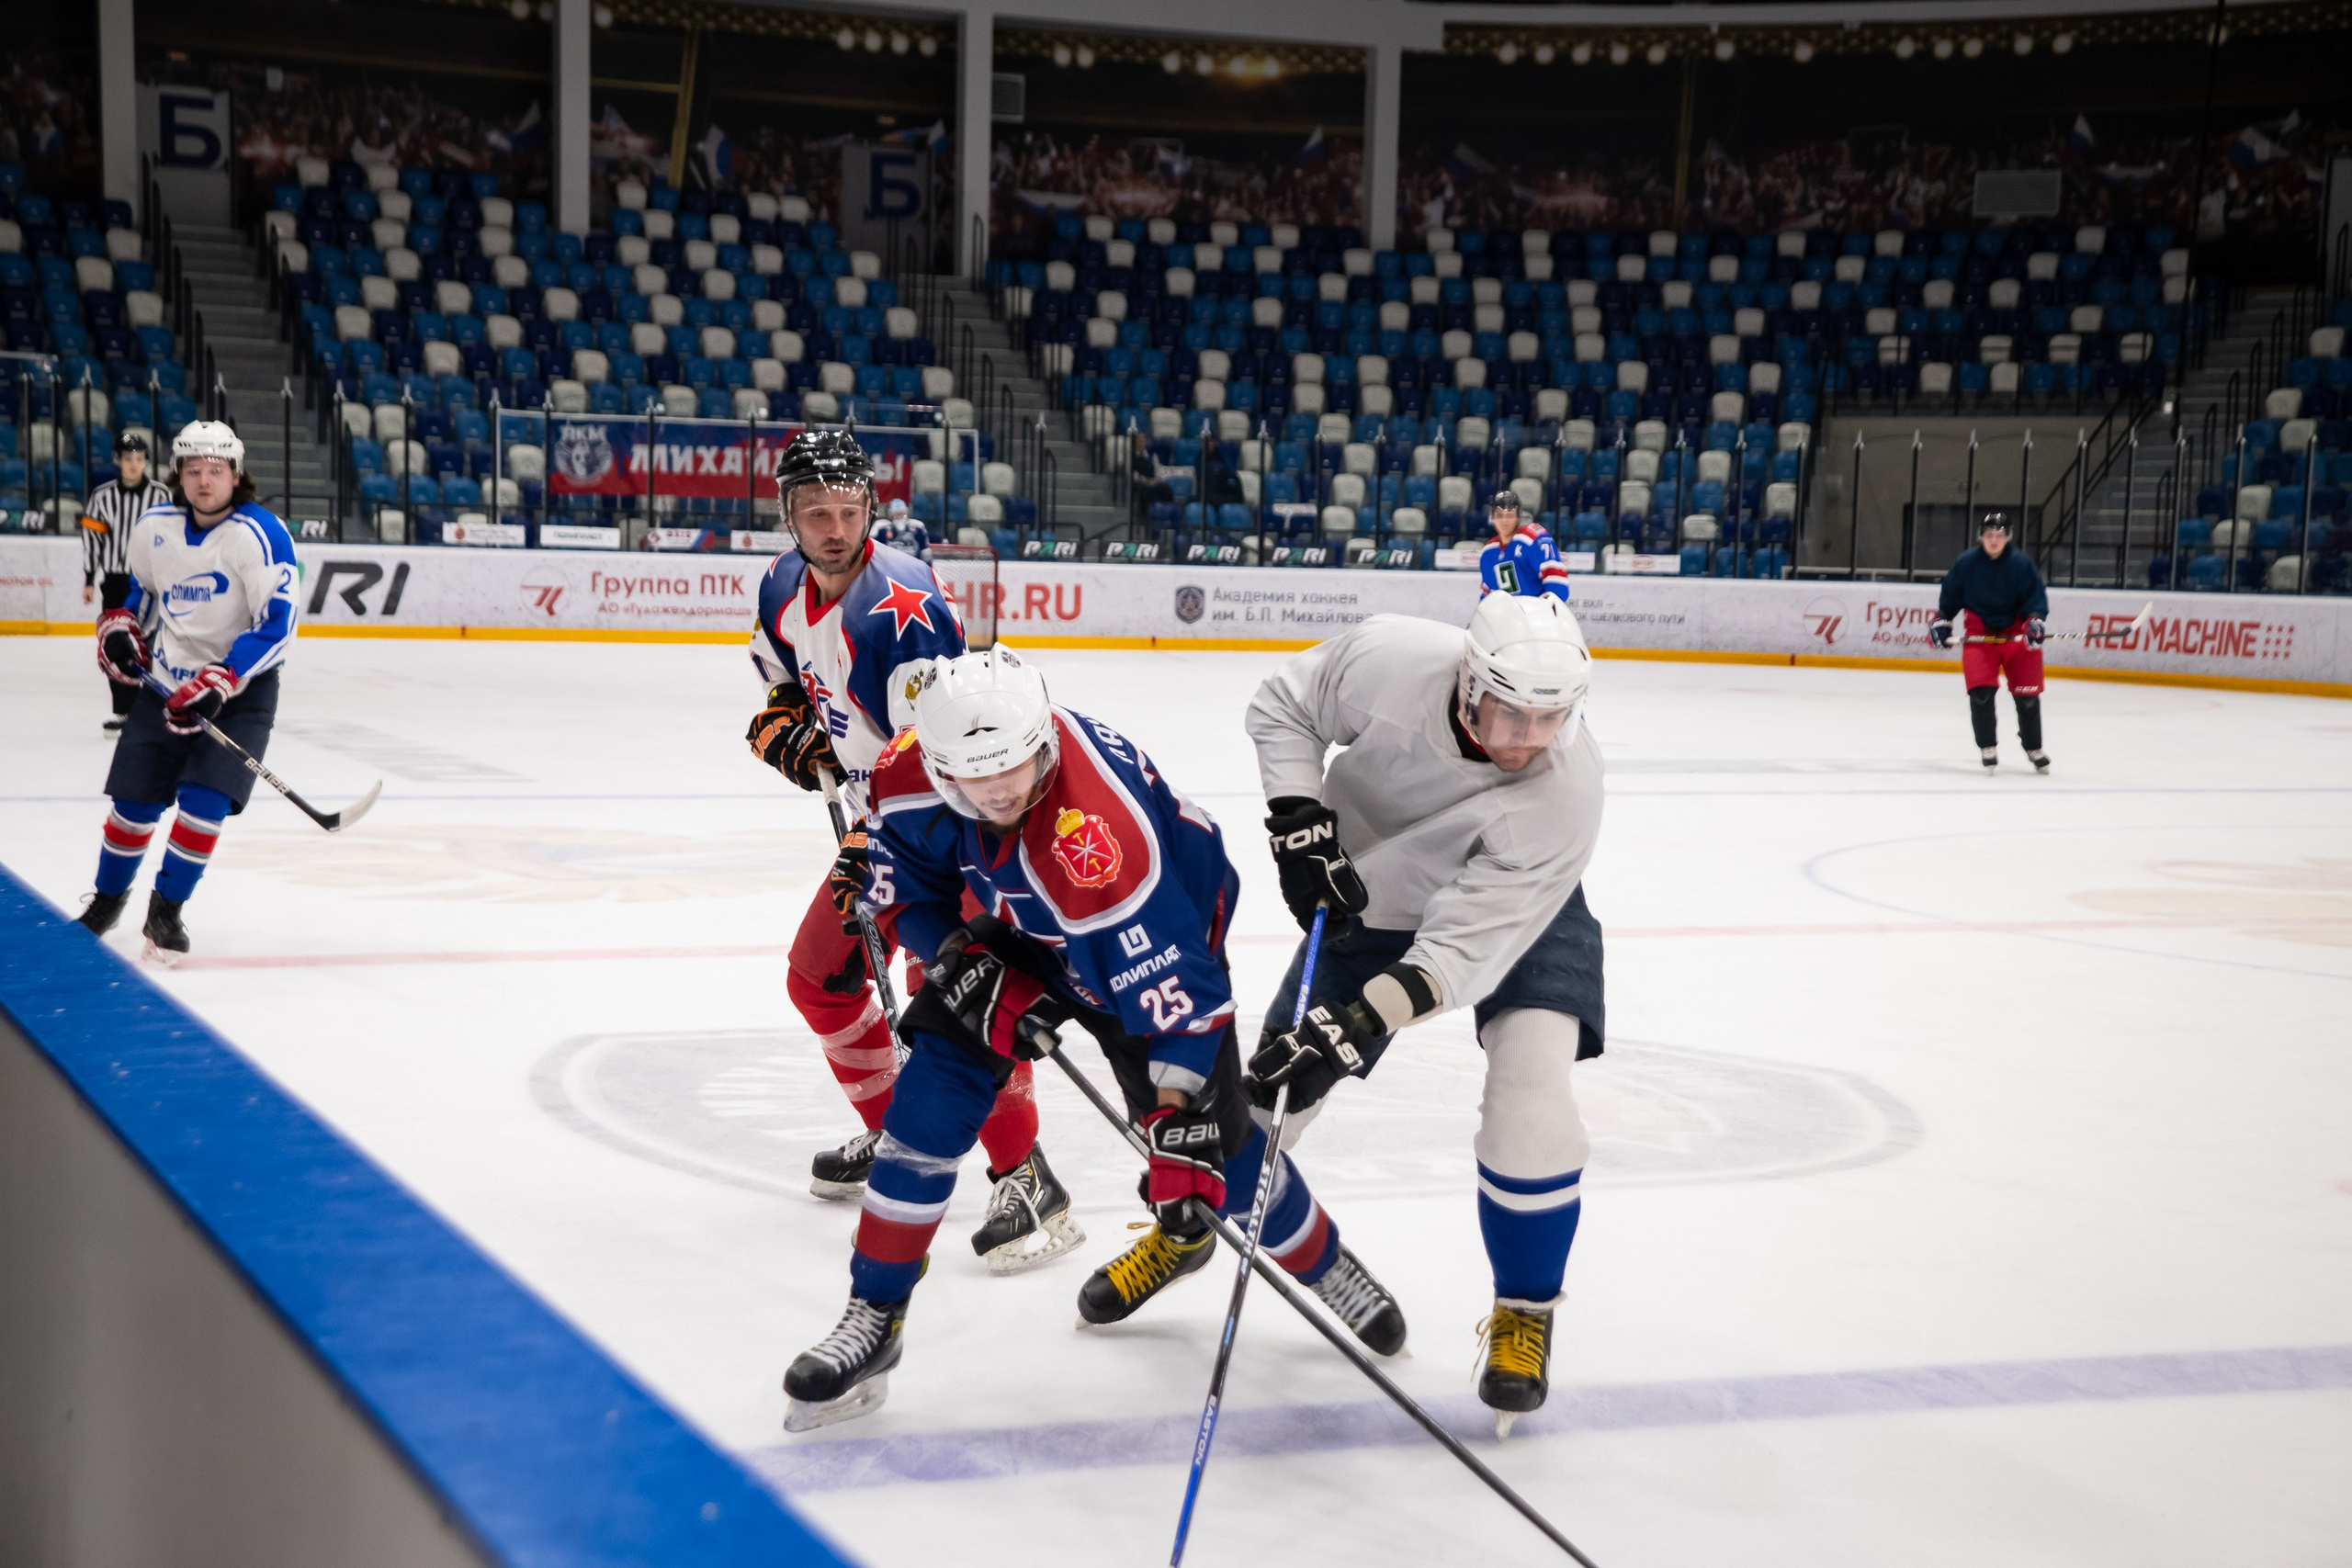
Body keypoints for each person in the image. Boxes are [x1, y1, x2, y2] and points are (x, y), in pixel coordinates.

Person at [781, 647, 1405, 1430]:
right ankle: (875, 1313)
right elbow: (905, 878)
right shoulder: (906, 772)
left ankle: (1325, 1262)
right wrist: (952, 952)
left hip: (1142, 935)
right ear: (939, 769)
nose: (1006, 786)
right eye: (980, 776)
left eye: (1019, 762)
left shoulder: (1098, 838)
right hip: (1015, 923)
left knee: (1223, 1154)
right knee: (927, 1106)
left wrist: (1179, 1117)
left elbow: (1177, 990)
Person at [1240, 594, 1607, 1437]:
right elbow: (1283, 703)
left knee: (1531, 1102)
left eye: (1551, 717)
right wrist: (1297, 818)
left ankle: (1525, 1309)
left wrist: (1358, 1024)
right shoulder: (1391, 658)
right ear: (1469, 679)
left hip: (1522, 912)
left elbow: (1456, 953)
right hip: (1369, 896)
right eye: (1512, 710)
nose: (1528, 738)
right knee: (1248, 1119)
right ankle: (1240, 1243)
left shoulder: (1566, 792)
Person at [742, 429, 1071, 1271]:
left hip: (950, 827)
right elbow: (787, 677)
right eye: (814, 511)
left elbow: (940, 757)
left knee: (959, 992)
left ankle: (1027, 1176)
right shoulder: (783, 583)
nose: (833, 527)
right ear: (787, 515)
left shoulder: (906, 607)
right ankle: (902, 1141)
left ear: (870, 511)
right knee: (822, 979)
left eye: (848, 510)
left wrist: (875, 841)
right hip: (877, 818)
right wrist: (787, 723)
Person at [74, 423, 299, 961]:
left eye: (215, 470)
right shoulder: (155, 527)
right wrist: (126, 628)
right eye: (192, 470)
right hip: (169, 683)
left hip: (240, 691)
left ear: (236, 474)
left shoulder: (261, 534)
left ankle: (166, 911)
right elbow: (145, 594)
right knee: (133, 804)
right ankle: (106, 902)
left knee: (204, 804)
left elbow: (278, 623)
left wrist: (223, 677)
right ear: (177, 474)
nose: (204, 480)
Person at [1929, 513, 2052, 773]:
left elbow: (2035, 599)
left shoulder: (2021, 563)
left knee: (2028, 697)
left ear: (2007, 537)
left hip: (2016, 633)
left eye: (1998, 536)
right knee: (1980, 694)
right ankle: (1988, 746)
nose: (1993, 541)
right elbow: (1950, 597)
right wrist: (1942, 620)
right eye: (1989, 535)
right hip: (1980, 633)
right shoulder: (1967, 563)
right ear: (1981, 537)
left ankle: (2033, 747)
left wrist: (2035, 621)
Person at [80, 432, 174, 732]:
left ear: (146, 461)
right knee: (116, 644)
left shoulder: (162, 495)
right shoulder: (101, 497)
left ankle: (146, 710)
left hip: (151, 580)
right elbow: (92, 541)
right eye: (128, 459)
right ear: (117, 461)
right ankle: (122, 711)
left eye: (139, 459)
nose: (134, 465)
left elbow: (174, 538)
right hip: (117, 581)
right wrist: (89, 579)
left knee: (148, 644)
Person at [1477, 491, 1570, 602]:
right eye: (1499, 515)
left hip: (1537, 614)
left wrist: (1547, 607)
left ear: (1518, 517)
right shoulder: (1488, 551)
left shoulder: (1532, 539)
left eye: (1510, 515)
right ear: (1492, 518)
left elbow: (1557, 581)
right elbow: (1488, 596)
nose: (1504, 521)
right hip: (1507, 616)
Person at [871, 495, 931, 560]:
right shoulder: (880, 527)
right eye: (896, 514)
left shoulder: (918, 527)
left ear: (906, 512)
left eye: (901, 513)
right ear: (890, 514)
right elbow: (871, 549)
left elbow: (925, 552)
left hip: (913, 566)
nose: (899, 517)